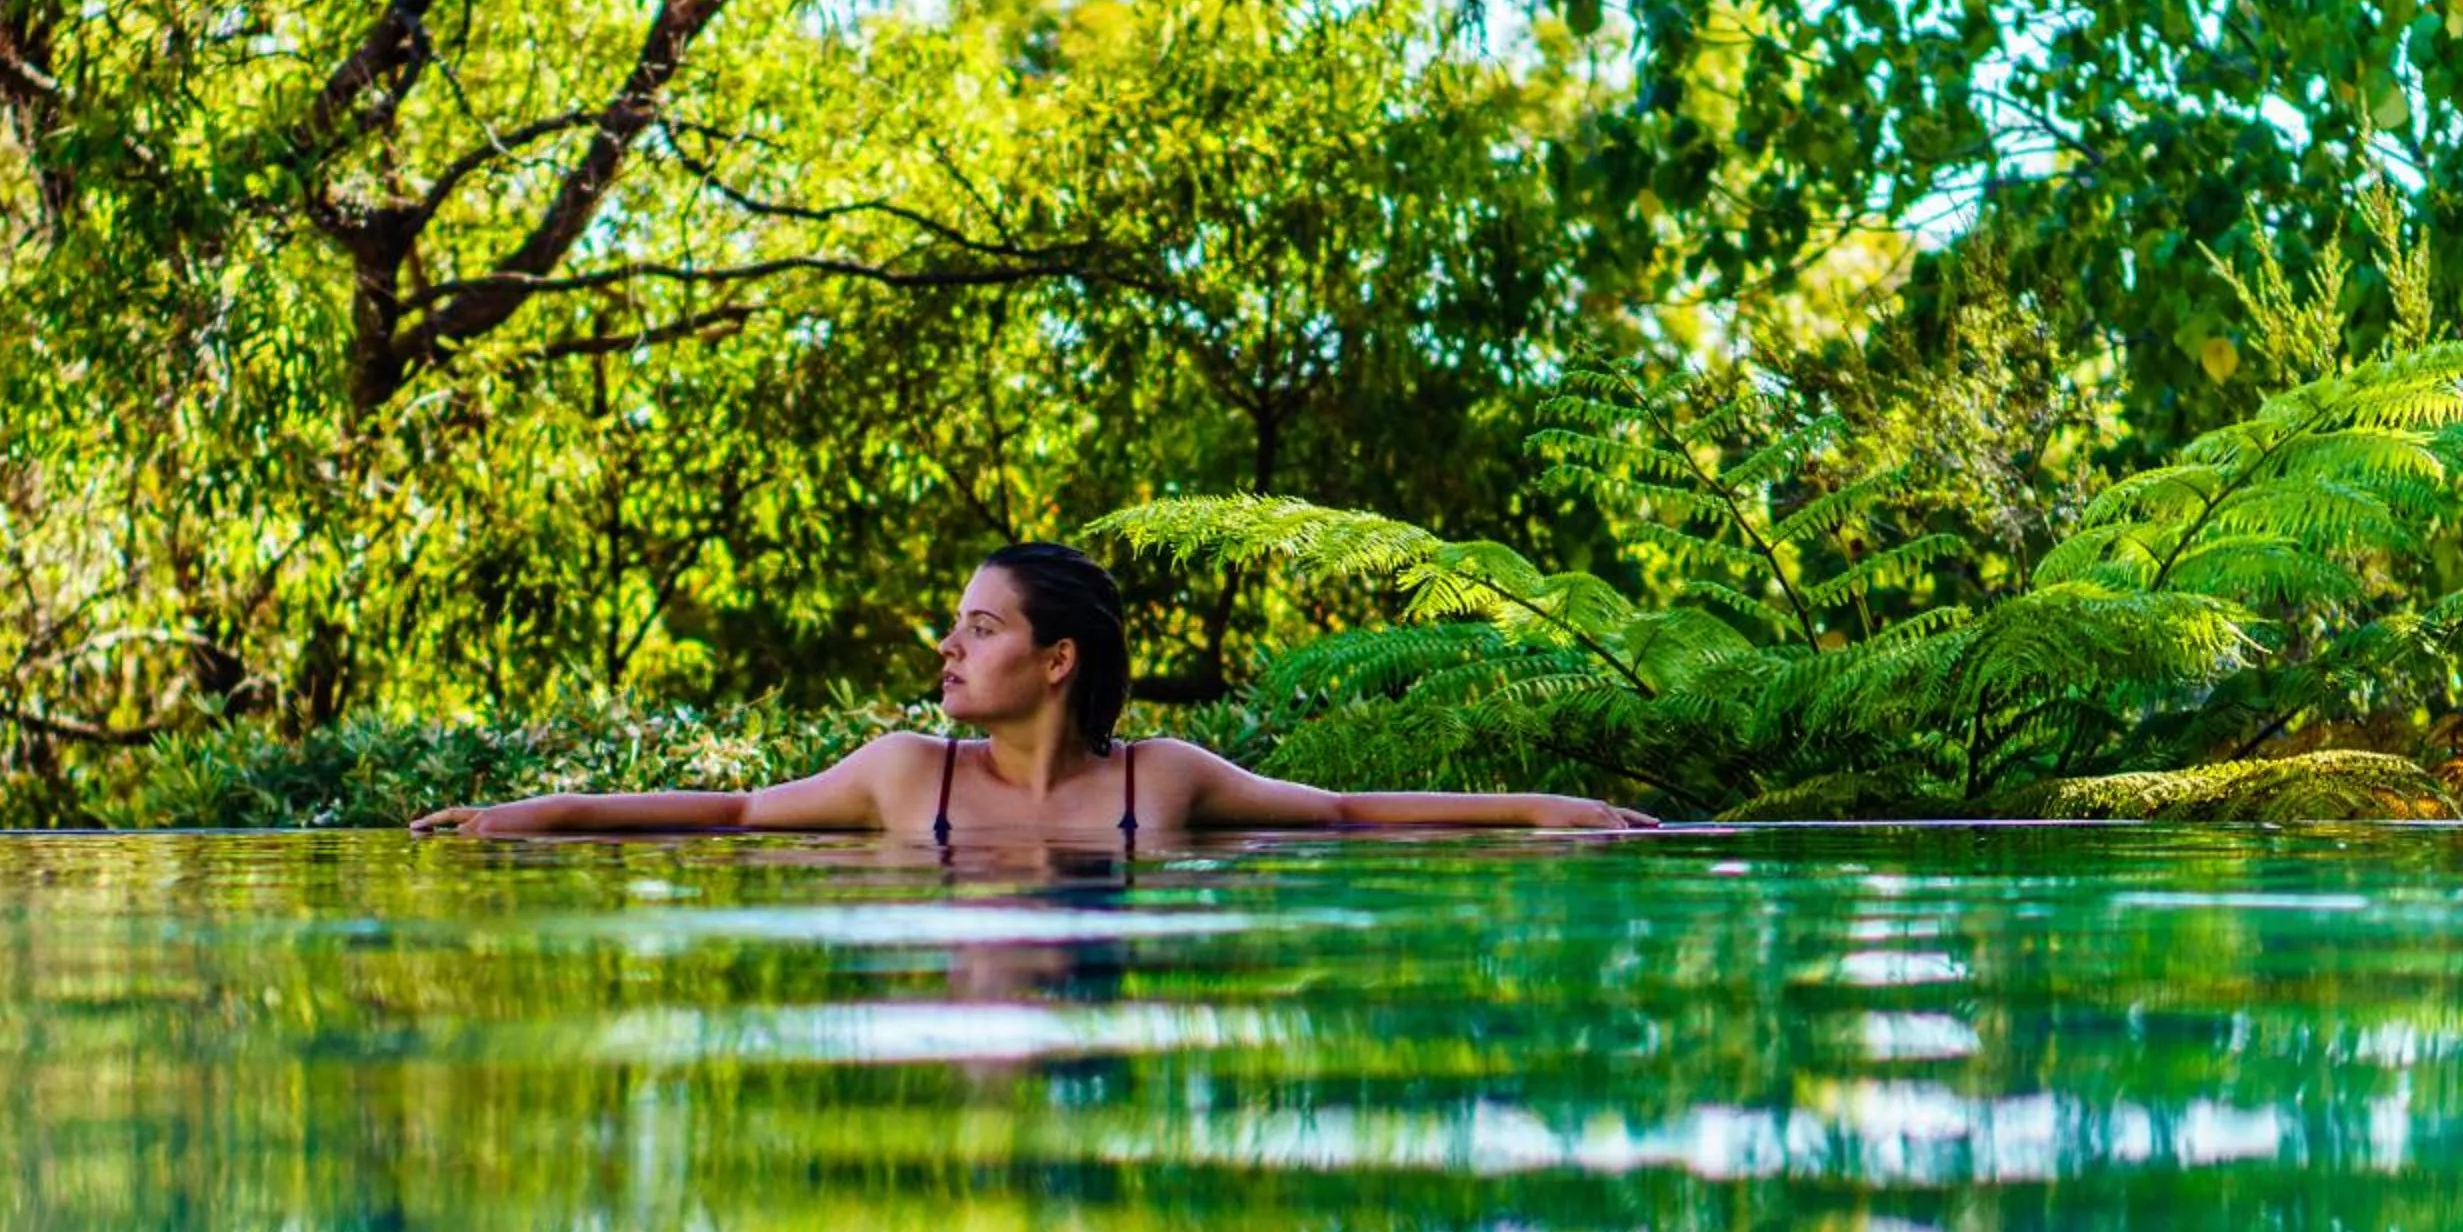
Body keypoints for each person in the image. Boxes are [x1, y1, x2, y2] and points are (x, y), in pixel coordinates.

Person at [408, 541, 1662, 841]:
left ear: (1056, 661)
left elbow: (1337, 815)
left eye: (981, 628)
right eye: (954, 628)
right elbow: (733, 819)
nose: (949, 649)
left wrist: (1548, 809)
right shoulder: (908, 776)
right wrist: (546, 814)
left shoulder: (1159, 782)